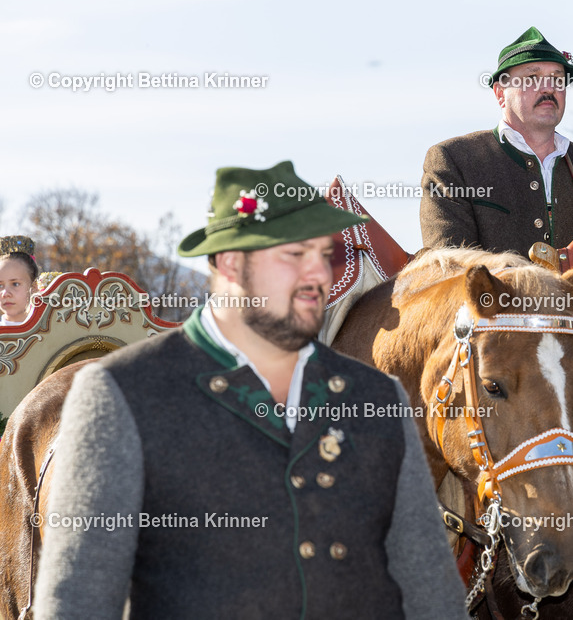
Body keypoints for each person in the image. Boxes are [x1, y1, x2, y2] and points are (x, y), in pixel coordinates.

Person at [33, 162, 469, 619]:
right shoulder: (119, 395)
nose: (315, 276)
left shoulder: (378, 398)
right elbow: (78, 602)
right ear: (228, 265)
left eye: (322, 254)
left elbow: (432, 598)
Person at [420, 26, 573, 257]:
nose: (549, 88)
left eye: (557, 79)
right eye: (532, 77)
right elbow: (449, 268)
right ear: (500, 93)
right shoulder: (454, 160)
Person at [0, 235, 39, 327]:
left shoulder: (49, 333)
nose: (5, 293)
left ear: (34, 287)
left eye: (15, 284)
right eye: (0, 285)